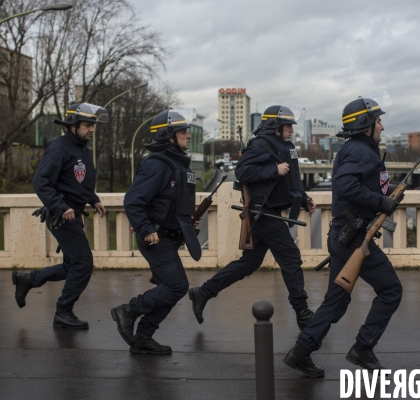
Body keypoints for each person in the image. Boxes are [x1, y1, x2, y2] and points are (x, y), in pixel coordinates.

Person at [283, 93, 403, 378]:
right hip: (353, 239)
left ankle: (301, 352)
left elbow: (362, 186)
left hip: (344, 236)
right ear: (366, 124)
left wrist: (386, 194)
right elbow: (347, 187)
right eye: (378, 120)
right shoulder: (359, 151)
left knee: (336, 301)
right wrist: (380, 203)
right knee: (391, 291)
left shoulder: (358, 150)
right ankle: (363, 347)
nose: (382, 126)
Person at [188, 105, 317, 331]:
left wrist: (304, 199)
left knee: (249, 263)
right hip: (265, 215)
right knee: (291, 259)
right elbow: (243, 172)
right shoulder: (261, 145)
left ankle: (203, 293)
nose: (291, 131)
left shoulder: (285, 146)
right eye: (288, 126)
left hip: (269, 214)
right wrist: (273, 170)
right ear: (275, 126)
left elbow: (291, 180)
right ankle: (302, 313)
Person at [110, 109, 201, 355]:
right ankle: (128, 311)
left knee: (168, 291)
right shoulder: (156, 165)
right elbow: (133, 200)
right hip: (155, 238)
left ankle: (143, 338)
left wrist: (186, 223)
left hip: (169, 237)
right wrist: (145, 228)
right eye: (183, 131)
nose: (188, 136)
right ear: (168, 136)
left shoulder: (174, 165)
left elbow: (170, 204)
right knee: (177, 287)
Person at [12, 103, 108, 329]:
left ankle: (28, 279)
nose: (91, 130)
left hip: (73, 213)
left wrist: (92, 198)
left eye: (93, 126)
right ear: (73, 126)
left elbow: (78, 181)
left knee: (71, 265)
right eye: (87, 125)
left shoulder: (82, 149)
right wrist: (60, 206)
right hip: (62, 215)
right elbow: (41, 181)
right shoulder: (59, 147)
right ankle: (63, 311)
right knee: (83, 264)